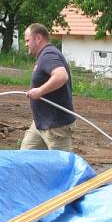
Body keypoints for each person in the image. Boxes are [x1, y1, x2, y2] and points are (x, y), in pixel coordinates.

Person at [20, 23, 75, 152]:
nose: (26, 44)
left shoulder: (48, 54)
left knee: (61, 164)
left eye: (28, 40)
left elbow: (61, 76)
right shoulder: (44, 55)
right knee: (25, 157)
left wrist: (40, 91)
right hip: (40, 123)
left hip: (55, 126)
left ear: (38, 38)